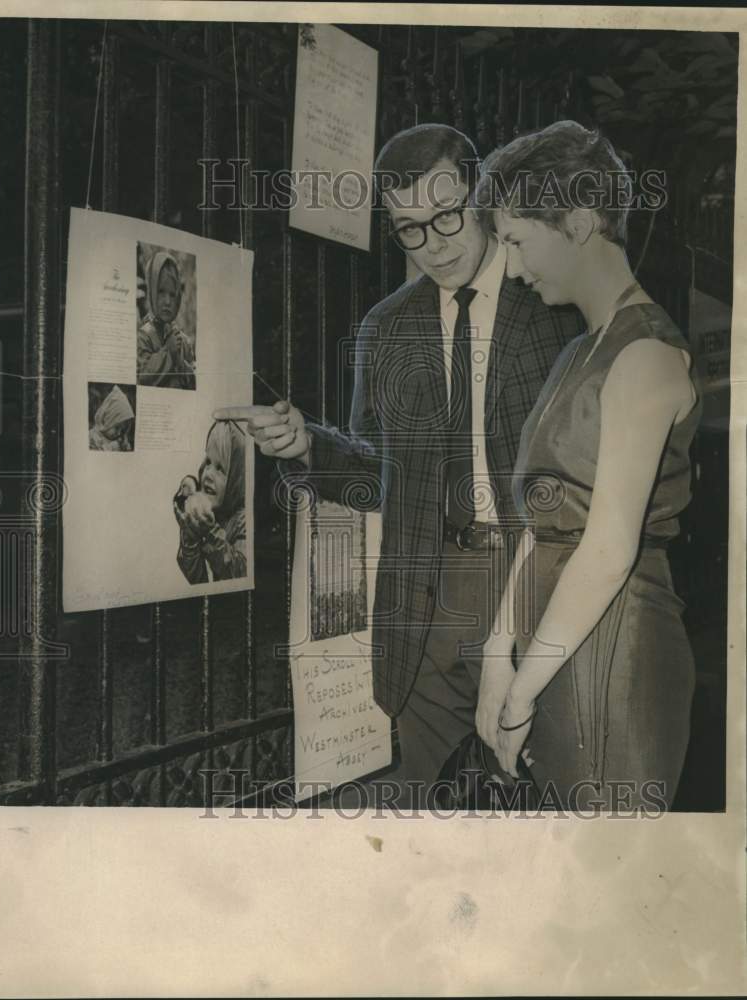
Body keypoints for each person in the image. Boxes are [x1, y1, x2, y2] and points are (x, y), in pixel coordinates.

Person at [215, 123, 582, 808]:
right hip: (428, 591)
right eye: (409, 228)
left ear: (481, 196)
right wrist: (304, 447)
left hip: (538, 583)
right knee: (432, 809)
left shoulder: (556, 305)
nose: (432, 245)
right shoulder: (385, 328)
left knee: (551, 808)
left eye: (446, 218)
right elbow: (374, 476)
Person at [472, 120, 701, 810]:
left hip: (612, 645)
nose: (510, 268)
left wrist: (519, 688)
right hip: (556, 641)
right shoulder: (579, 352)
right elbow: (542, 524)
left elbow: (605, 551)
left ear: (574, 222)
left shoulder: (645, 355)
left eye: (515, 240)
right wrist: (495, 652)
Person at [174, 420, 247, 583]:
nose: (208, 474)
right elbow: (197, 579)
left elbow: (240, 573)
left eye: (220, 468)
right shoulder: (208, 514)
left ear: (236, 478)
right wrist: (189, 536)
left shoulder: (242, 520)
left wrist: (211, 533)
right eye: (207, 462)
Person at [137, 250, 196, 390]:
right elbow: (142, 377)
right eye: (161, 292)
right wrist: (168, 351)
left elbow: (193, 383)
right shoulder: (143, 336)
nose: (167, 301)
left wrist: (179, 361)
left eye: (172, 294)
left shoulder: (184, 342)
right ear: (151, 292)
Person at [88, 384, 134, 451]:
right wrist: (112, 448)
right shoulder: (92, 437)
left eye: (122, 430)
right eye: (117, 427)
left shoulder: (117, 439)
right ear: (108, 420)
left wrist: (125, 447)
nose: (118, 433)